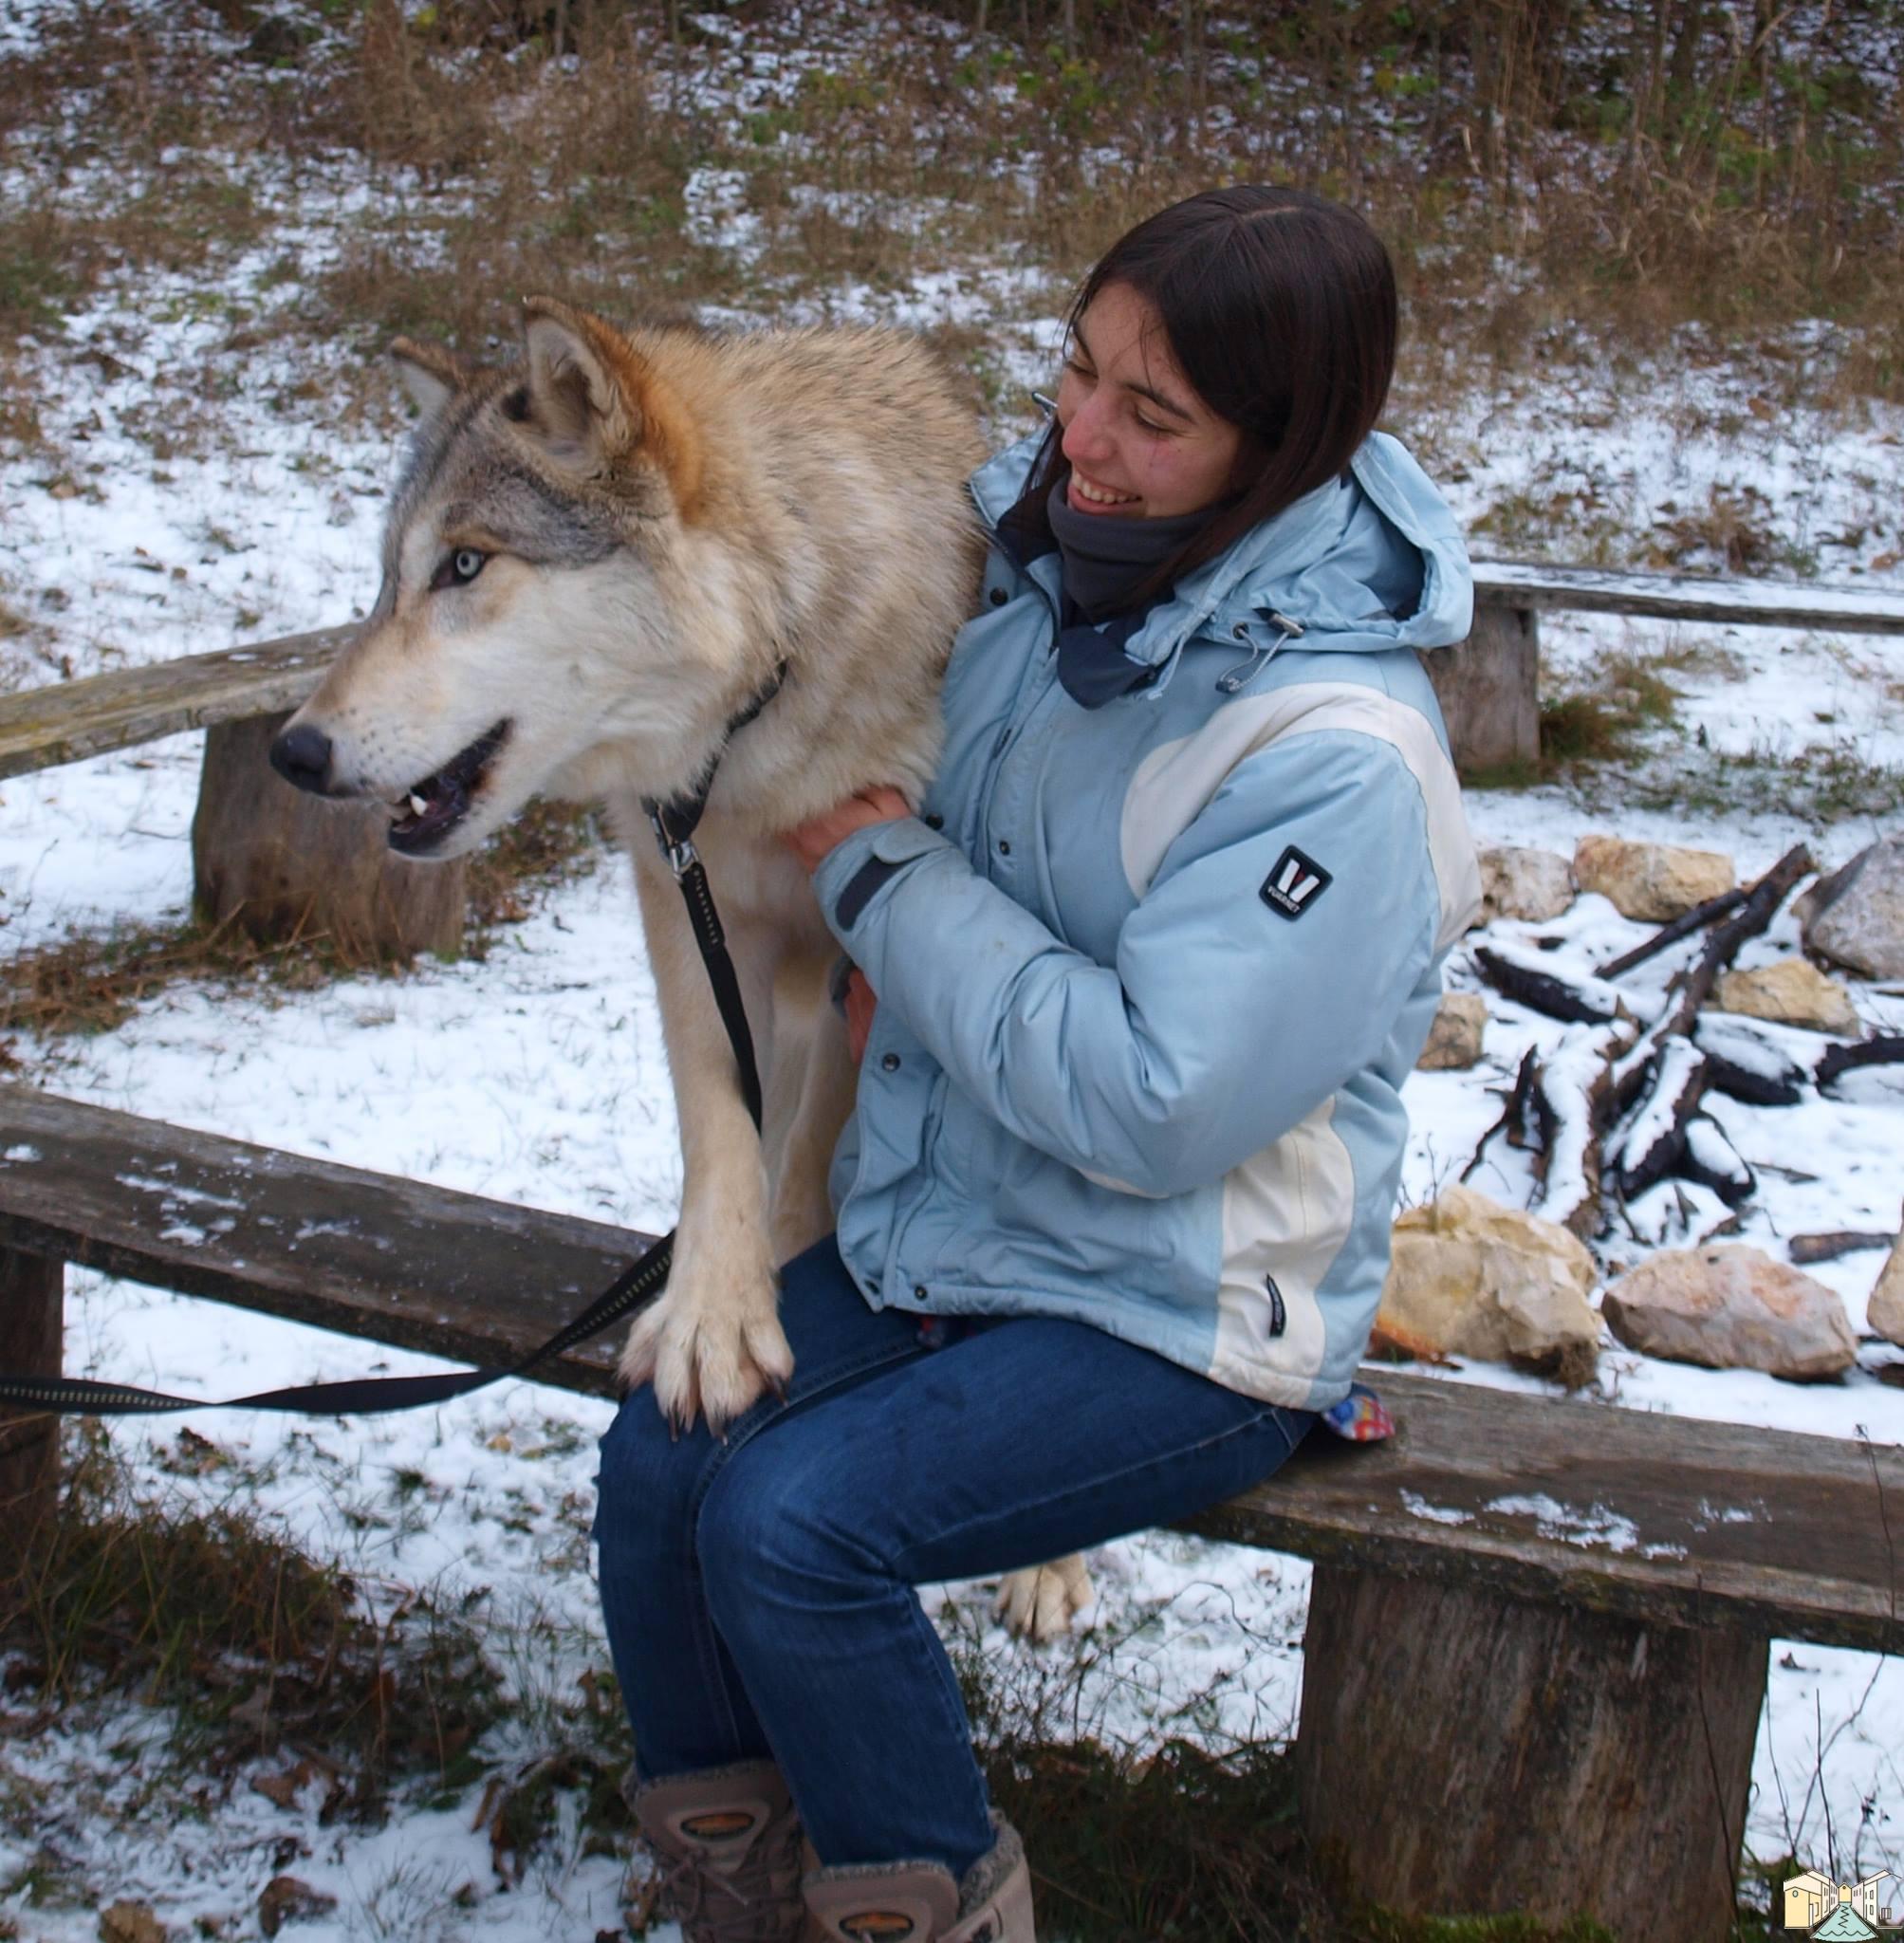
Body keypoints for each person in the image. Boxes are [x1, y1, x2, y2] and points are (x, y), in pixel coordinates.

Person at [593, 183, 1482, 1943]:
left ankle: (923, 1909)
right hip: (959, 1235)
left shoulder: (1339, 756)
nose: (1078, 440)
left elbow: (1155, 1106)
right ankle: (745, 1891)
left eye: (1153, 417)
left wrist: (881, 877)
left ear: (1281, 447)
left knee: (793, 1524)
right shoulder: (1031, 572)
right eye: (1077, 372)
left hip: (1187, 1315)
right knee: (660, 1464)